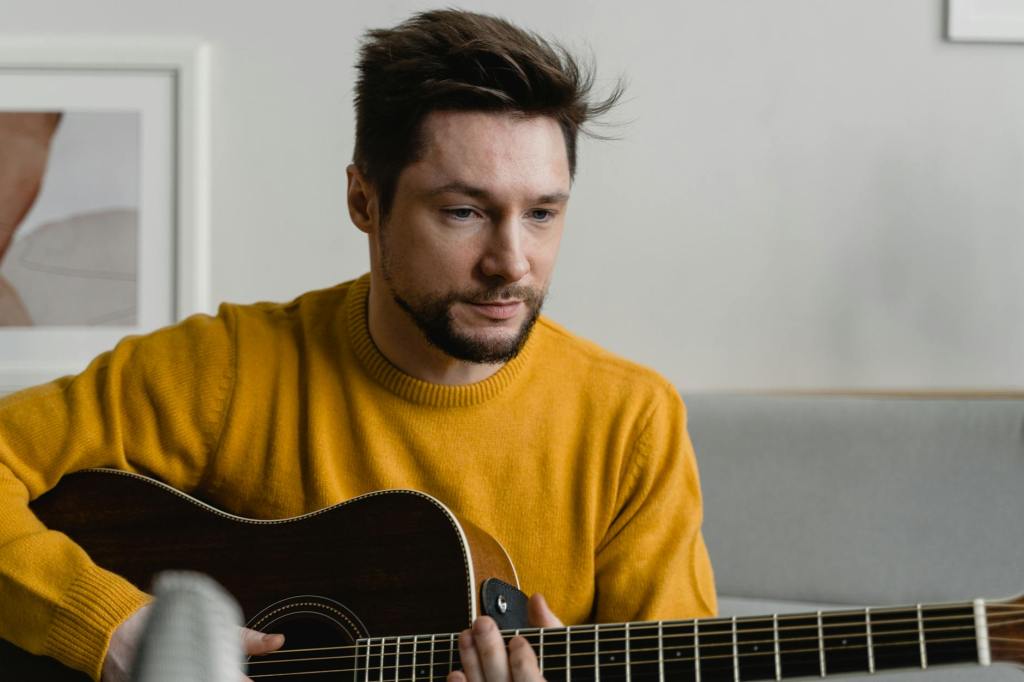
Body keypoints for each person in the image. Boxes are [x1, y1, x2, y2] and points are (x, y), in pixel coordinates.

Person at [0, 9, 717, 682]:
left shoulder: (630, 421)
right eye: (464, 212)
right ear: (364, 200)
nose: (512, 262)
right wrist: (113, 631)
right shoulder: (229, 369)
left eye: (541, 214)